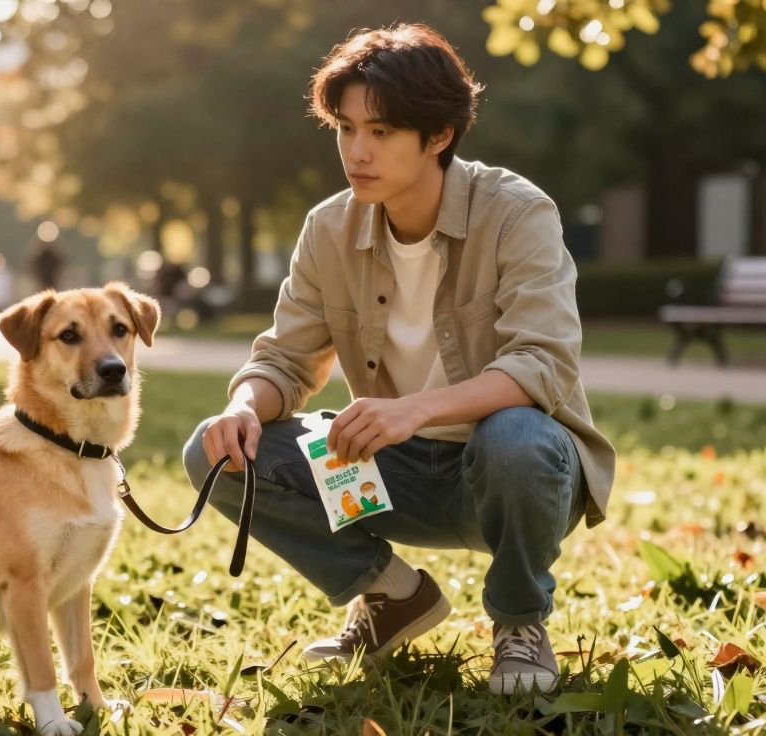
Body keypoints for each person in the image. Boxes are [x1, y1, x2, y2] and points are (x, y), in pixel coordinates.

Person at [181, 24, 615, 695]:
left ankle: (520, 623)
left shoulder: (517, 213)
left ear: (438, 136)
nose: (357, 151)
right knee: (213, 453)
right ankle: (392, 596)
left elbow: (541, 367)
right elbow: (287, 363)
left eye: (380, 132)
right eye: (345, 128)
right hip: (388, 475)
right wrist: (242, 408)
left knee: (517, 435)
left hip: (506, 475)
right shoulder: (329, 229)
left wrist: (413, 411)